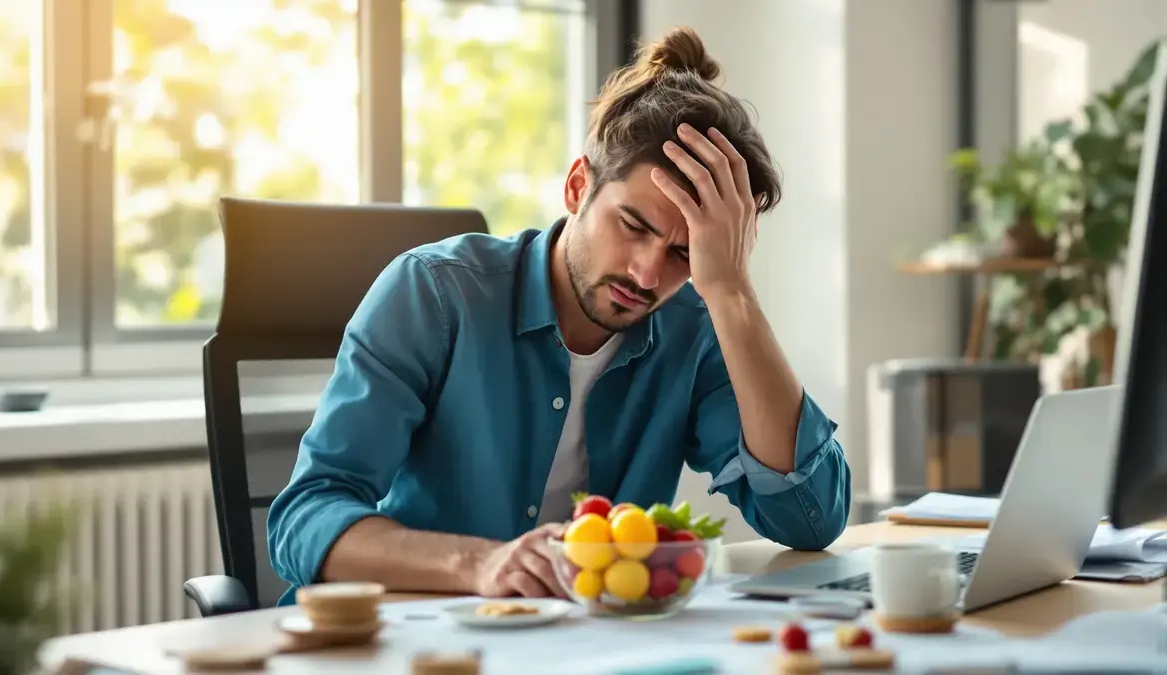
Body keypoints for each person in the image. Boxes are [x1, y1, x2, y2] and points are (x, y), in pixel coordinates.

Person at [267, 26, 851, 605]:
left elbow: (810, 518)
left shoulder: (696, 328)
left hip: (578, 646)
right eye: (634, 226)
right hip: (410, 636)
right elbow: (306, 516)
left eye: (683, 253)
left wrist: (733, 293)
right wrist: (482, 564)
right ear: (578, 187)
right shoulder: (435, 294)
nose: (647, 276)